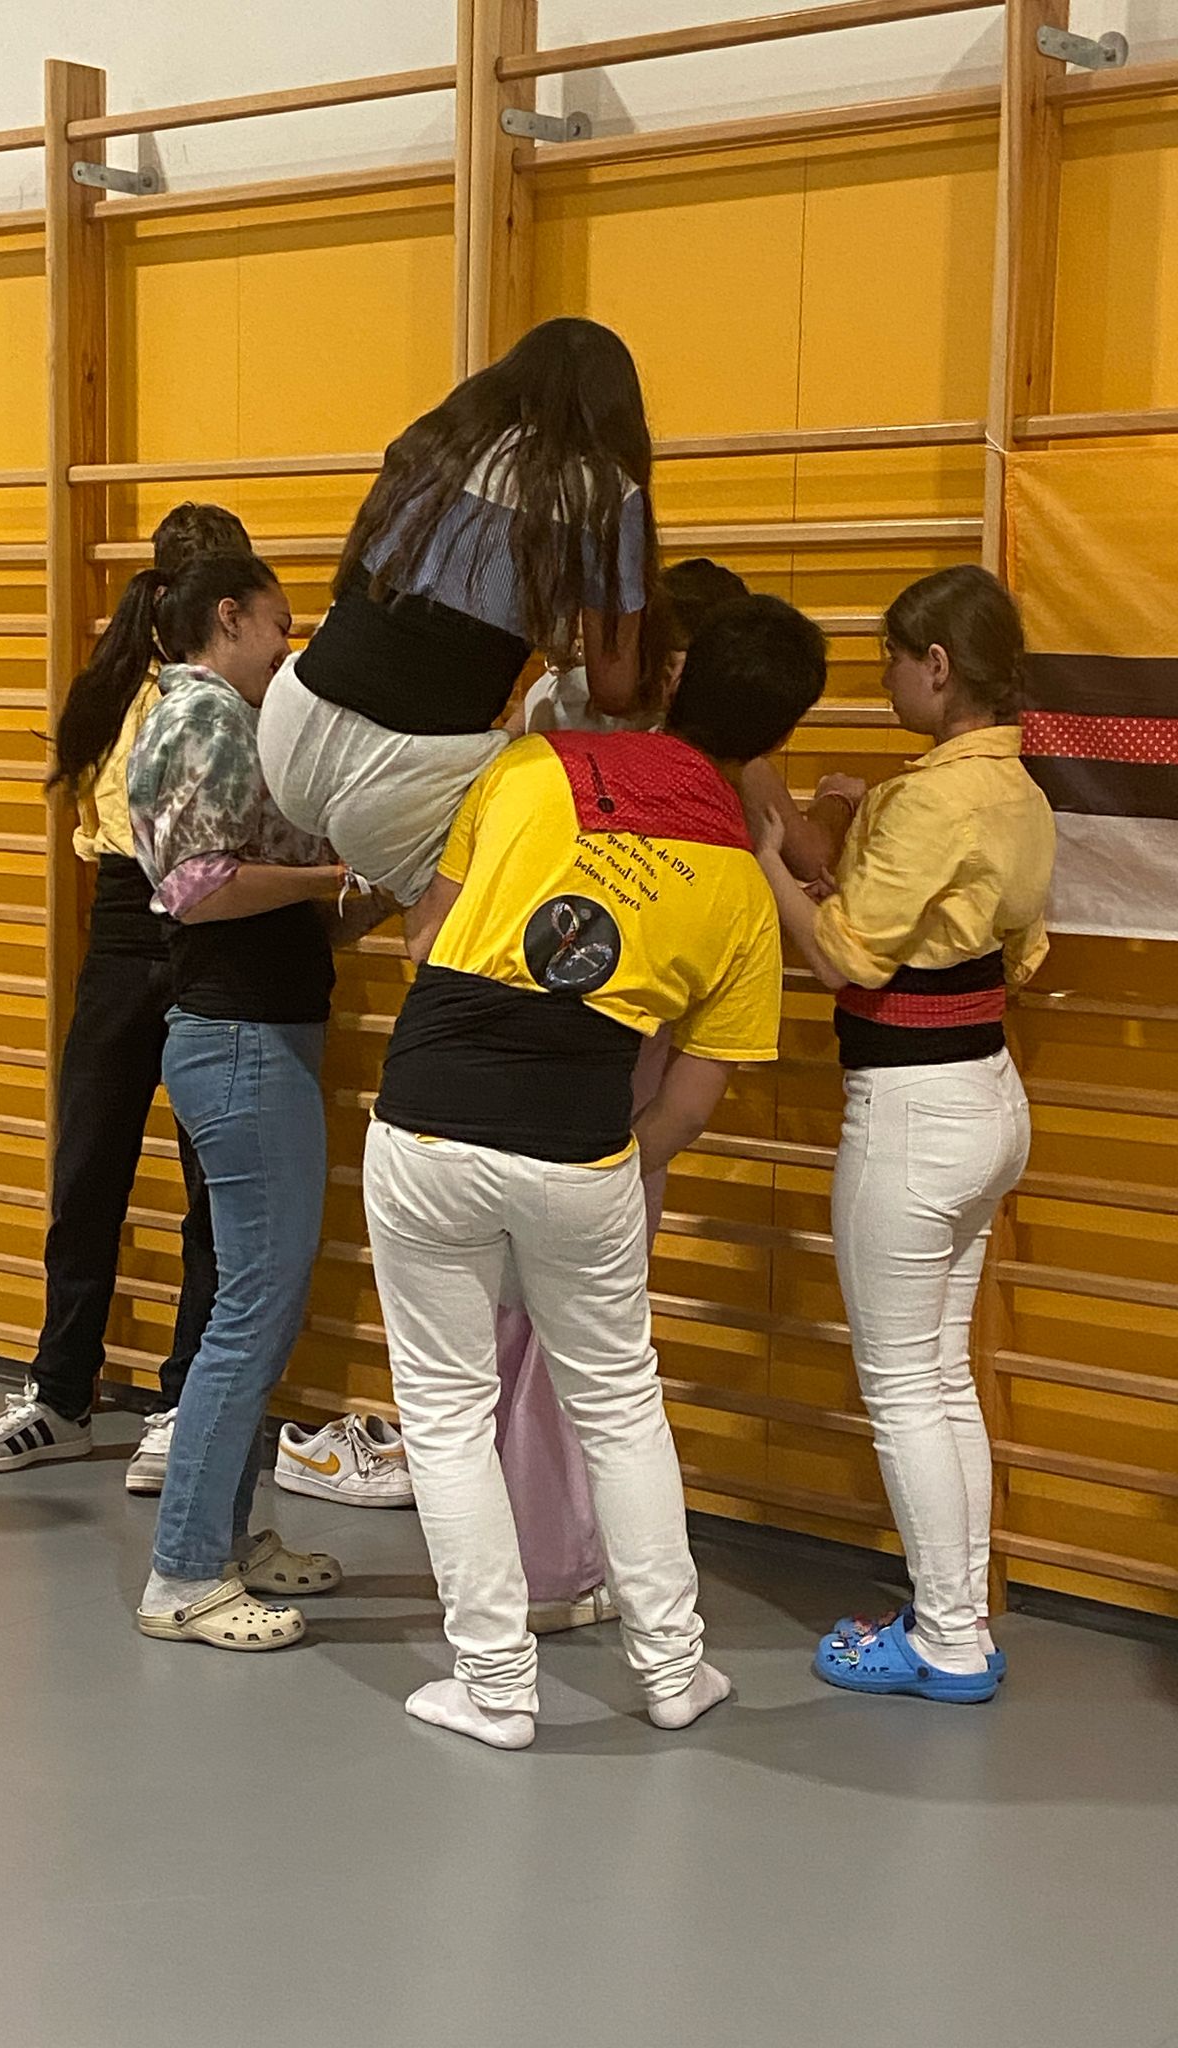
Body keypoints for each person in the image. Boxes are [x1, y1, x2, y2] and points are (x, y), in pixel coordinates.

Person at [364, 596, 829, 1747]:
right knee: (621, 1408)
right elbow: (689, 1102)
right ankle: (674, 1669)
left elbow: (425, 940)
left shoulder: (533, 766)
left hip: (429, 1118)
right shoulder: (742, 885)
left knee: (448, 1412)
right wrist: (615, 1166)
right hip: (581, 1141)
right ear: (776, 737)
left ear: (672, 677)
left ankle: (495, 1688)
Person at [499, 562, 860, 1631]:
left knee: (509, 1312)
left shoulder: (559, 731)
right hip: (627, 1069)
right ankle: (552, 1565)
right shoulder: (722, 779)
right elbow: (812, 862)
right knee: (589, 1322)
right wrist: (836, 805)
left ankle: (503, 1551)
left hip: (509, 1040)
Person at [755, 564, 1055, 1704]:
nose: (882, 676)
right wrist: (861, 815)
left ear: (938, 664)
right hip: (988, 1097)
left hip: (917, 1114)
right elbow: (1010, 948)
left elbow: (845, 953)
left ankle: (947, 1640)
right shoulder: (1016, 787)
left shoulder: (936, 799)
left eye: (890, 656)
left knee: (902, 1385)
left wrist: (767, 864)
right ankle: (956, 1613)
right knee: (939, 1375)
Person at [0, 504, 247, 1484]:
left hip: (214, 925)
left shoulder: (246, 689)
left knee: (212, 1185)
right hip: (125, 919)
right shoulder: (123, 684)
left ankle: (186, 1400)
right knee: (88, 1167)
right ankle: (59, 1392)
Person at [126, 551, 383, 1652]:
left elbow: (267, 898)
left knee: (258, 1305)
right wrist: (333, 877)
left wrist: (368, 883)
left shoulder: (227, 718)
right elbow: (197, 888)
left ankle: (223, 1542)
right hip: (237, 1041)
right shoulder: (207, 717)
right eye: (280, 624)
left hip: (256, 1031)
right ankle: (185, 1570)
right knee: (250, 1313)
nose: (290, 645)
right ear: (228, 617)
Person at [258, 317, 656, 944]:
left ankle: (364, 895)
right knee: (448, 930)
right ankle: (391, 900)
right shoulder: (608, 493)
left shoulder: (436, 444)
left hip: (290, 723)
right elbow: (613, 688)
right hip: (407, 775)